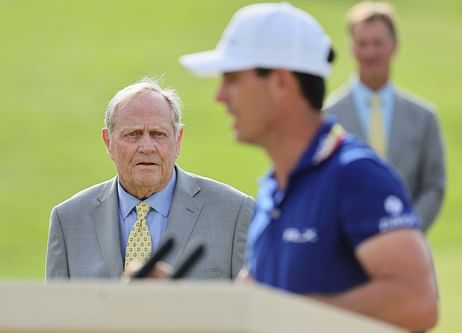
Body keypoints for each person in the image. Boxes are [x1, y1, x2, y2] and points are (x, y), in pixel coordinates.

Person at [179, 2, 437, 331]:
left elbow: (417, 303)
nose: (220, 95)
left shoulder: (355, 175)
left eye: (232, 78)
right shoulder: (274, 187)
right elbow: (252, 301)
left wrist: (289, 312)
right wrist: (176, 297)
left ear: (281, 83)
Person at [46, 77, 254, 280]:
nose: (147, 147)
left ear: (178, 139)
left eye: (158, 134)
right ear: (108, 141)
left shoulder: (235, 212)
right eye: (133, 134)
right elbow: (54, 311)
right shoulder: (68, 220)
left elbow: (252, 309)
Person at [323, 1, 446, 232]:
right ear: (351, 47)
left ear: (395, 46)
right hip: (343, 253)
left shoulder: (424, 117)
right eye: (362, 43)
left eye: (378, 43)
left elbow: (434, 186)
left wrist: (407, 229)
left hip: (408, 251)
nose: (370, 52)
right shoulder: (327, 117)